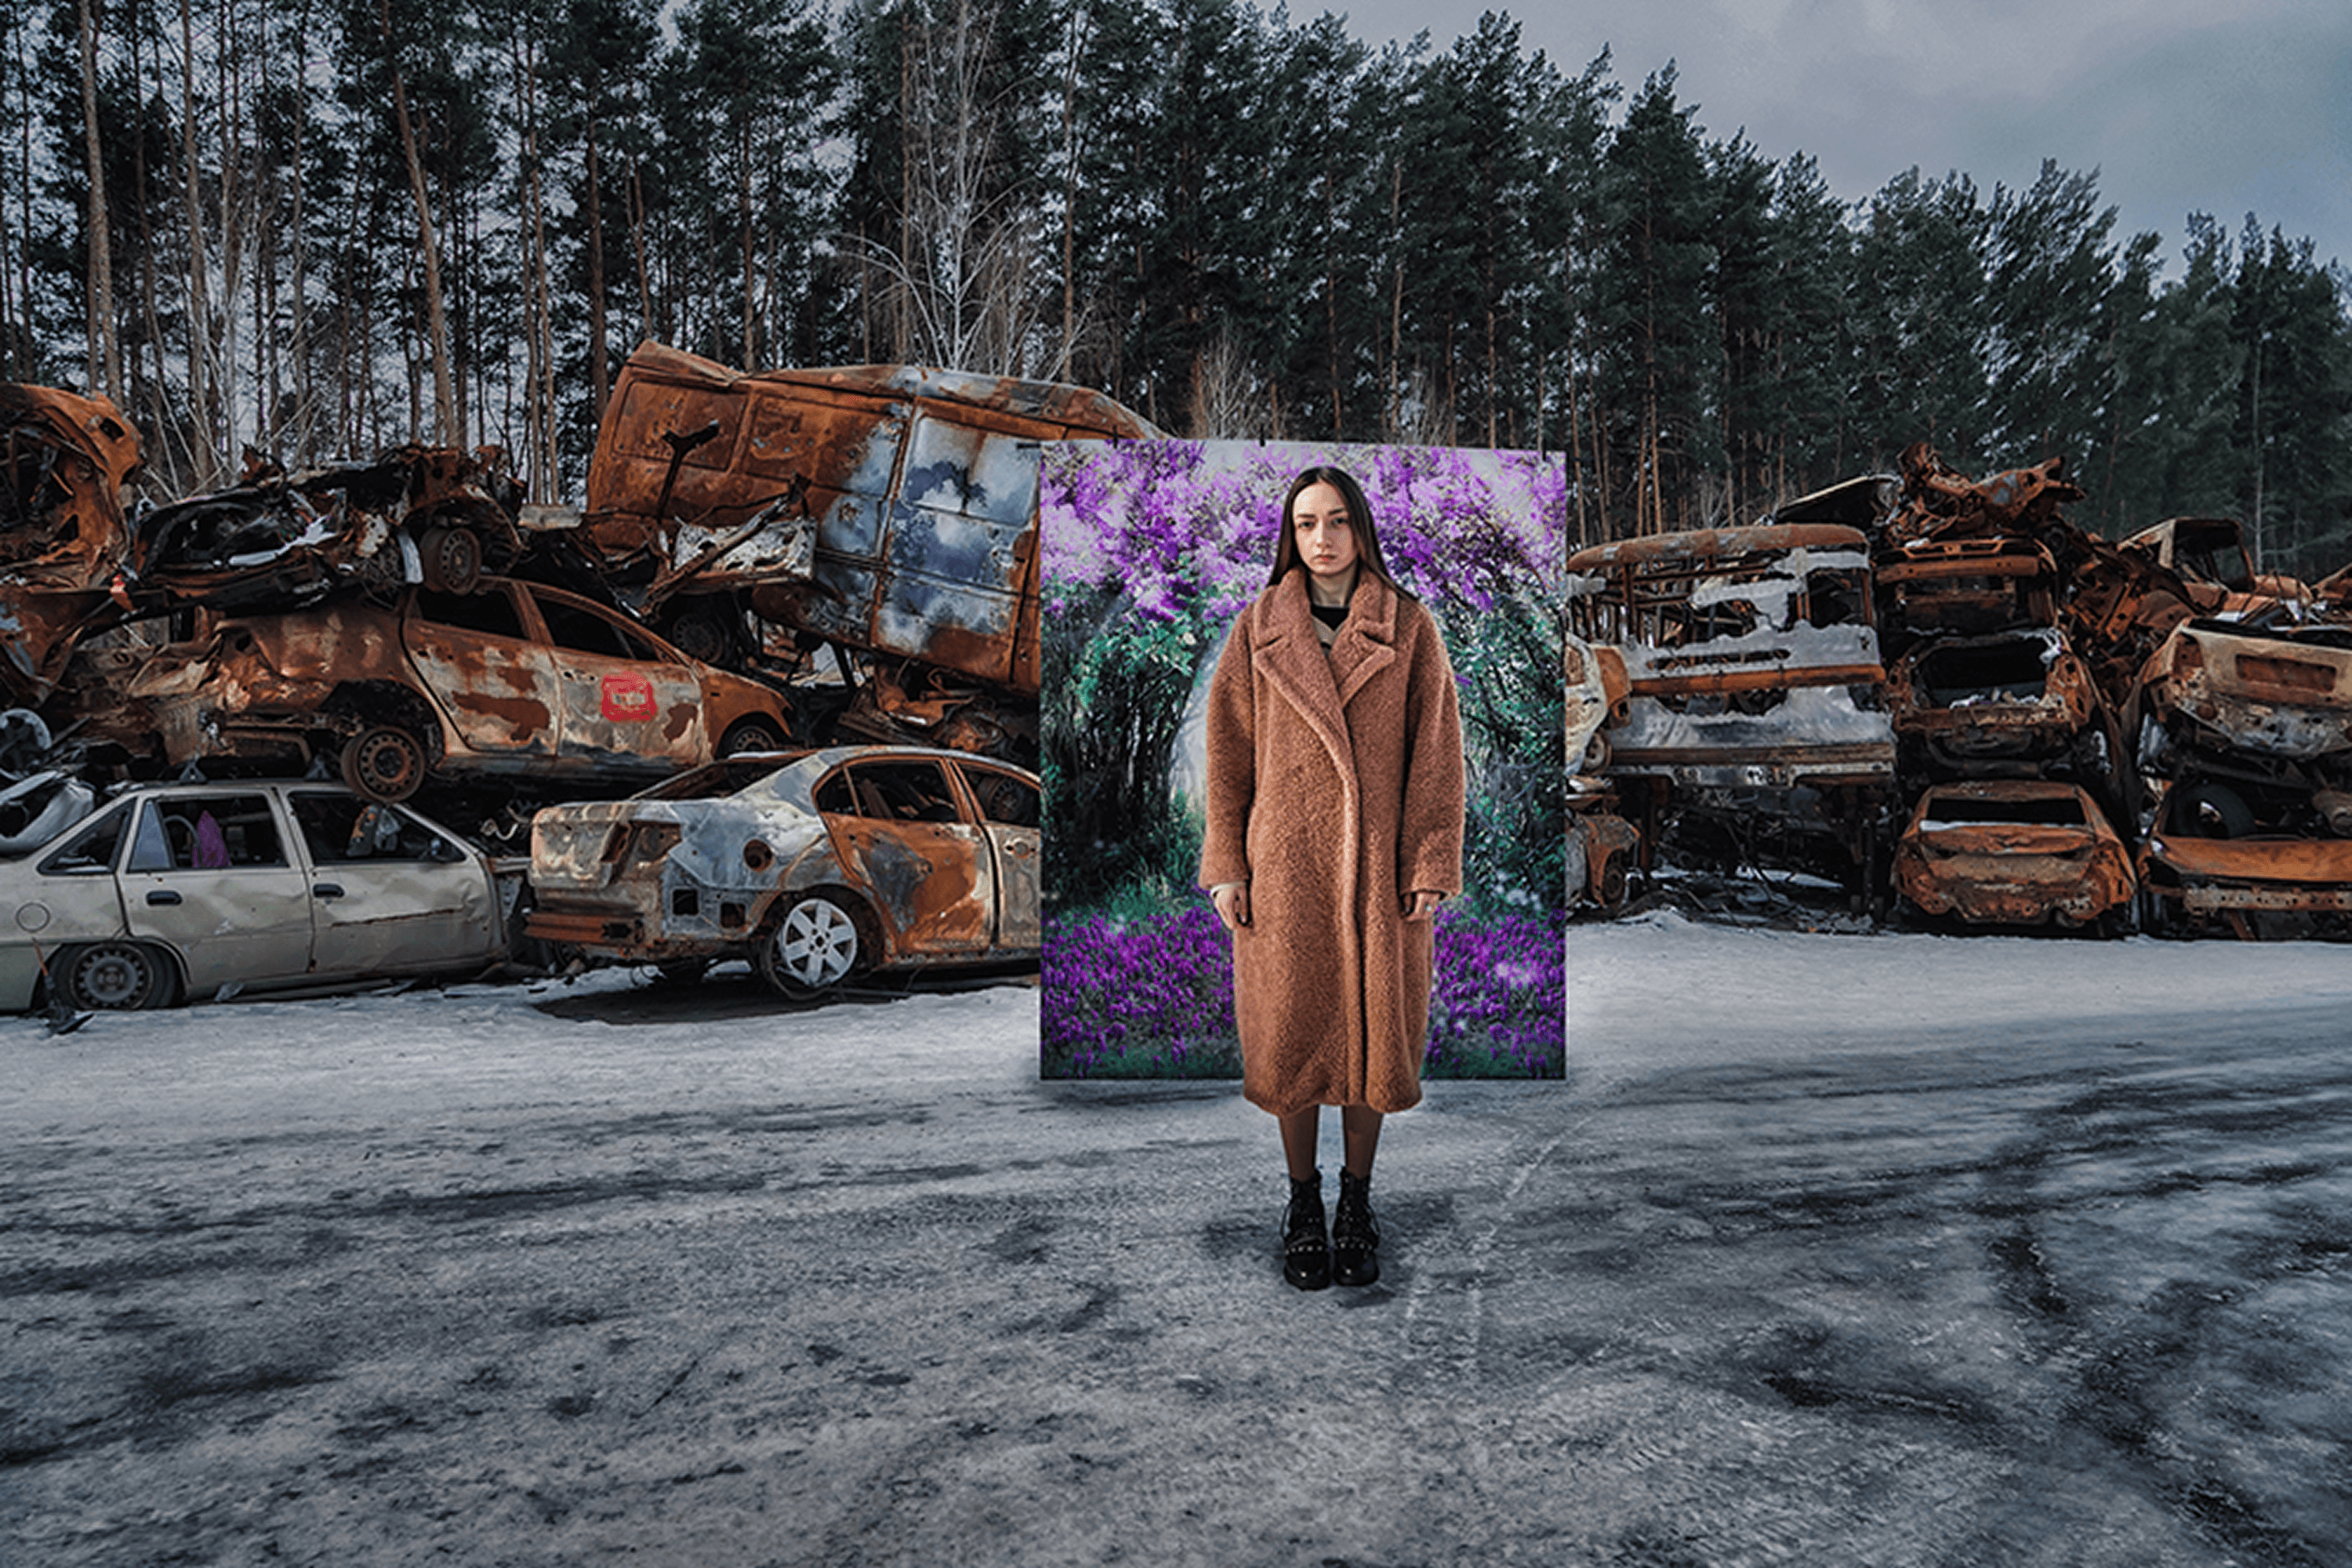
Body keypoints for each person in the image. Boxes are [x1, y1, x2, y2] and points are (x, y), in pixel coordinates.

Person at [1198, 465, 1465, 1290]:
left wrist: (1428, 861)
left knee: (1371, 1037)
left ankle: (1358, 1199)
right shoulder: (1257, 629)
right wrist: (1227, 865)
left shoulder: (1408, 626)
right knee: (1292, 1036)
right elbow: (1228, 757)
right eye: (1307, 522)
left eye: (1338, 520)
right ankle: (1302, 1200)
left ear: (1361, 530)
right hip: (1285, 867)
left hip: (1377, 868)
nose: (1322, 538)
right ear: (1291, 532)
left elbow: (1437, 756)